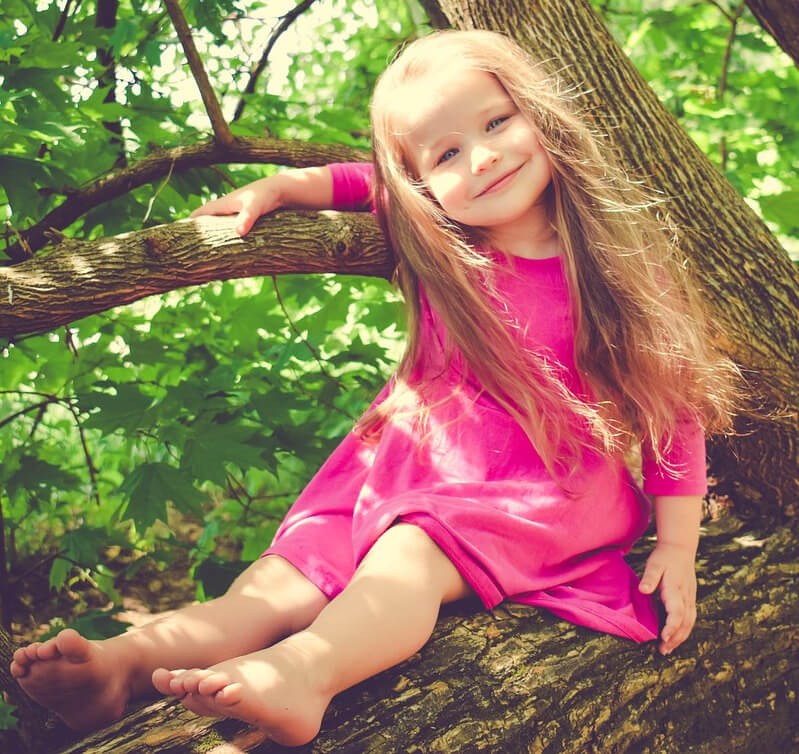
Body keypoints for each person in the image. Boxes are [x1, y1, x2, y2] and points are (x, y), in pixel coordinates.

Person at [10, 30, 738, 746]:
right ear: (422, 186)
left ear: (539, 113)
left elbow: (669, 410)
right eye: (446, 153)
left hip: (538, 489)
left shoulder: (615, 265)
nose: (481, 158)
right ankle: (125, 666)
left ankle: (306, 673)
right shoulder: (440, 241)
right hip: (398, 466)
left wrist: (676, 546)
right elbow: (365, 180)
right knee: (280, 578)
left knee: (408, 558)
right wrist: (284, 186)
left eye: (496, 123)